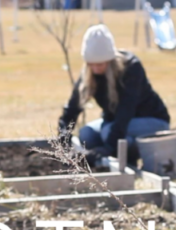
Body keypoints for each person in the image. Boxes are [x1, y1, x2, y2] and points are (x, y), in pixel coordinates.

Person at [58, 24, 170, 167]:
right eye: (91, 64)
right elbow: (73, 106)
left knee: (107, 133)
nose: (96, 68)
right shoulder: (90, 73)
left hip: (151, 120)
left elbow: (126, 110)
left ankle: (129, 160)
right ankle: (108, 161)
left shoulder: (131, 68)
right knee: (87, 134)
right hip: (116, 123)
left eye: (100, 64)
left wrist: (108, 147)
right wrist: (63, 137)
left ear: (110, 60)